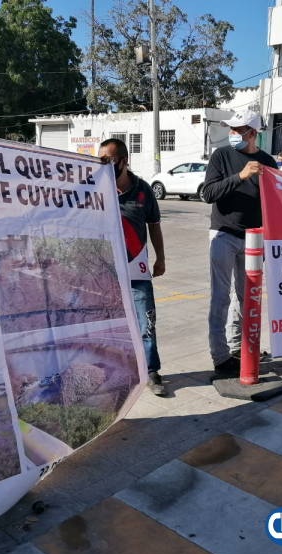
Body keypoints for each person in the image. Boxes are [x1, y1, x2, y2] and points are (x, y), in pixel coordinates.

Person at [203, 110, 278, 375]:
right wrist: (241, 176)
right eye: (231, 130)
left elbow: (276, 202)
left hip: (255, 240)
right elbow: (208, 193)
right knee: (220, 298)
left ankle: (239, 348)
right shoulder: (221, 155)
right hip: (224, 233)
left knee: (247, 299)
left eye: (238, 129)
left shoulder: (268, 162)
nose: (233, 134)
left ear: (253, 133)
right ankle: (221, 357)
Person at [98, 138, 167, 396]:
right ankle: (112, 370)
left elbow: (155, 225)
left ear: (123, 162)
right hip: (106, 274)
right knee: (107, 325)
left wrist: (160, 258)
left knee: (145, 324)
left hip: (137, 272)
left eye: (108, 159)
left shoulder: (143, 190)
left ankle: (151, 371)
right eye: (100, 159)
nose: (103, 163)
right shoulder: (95, 189)